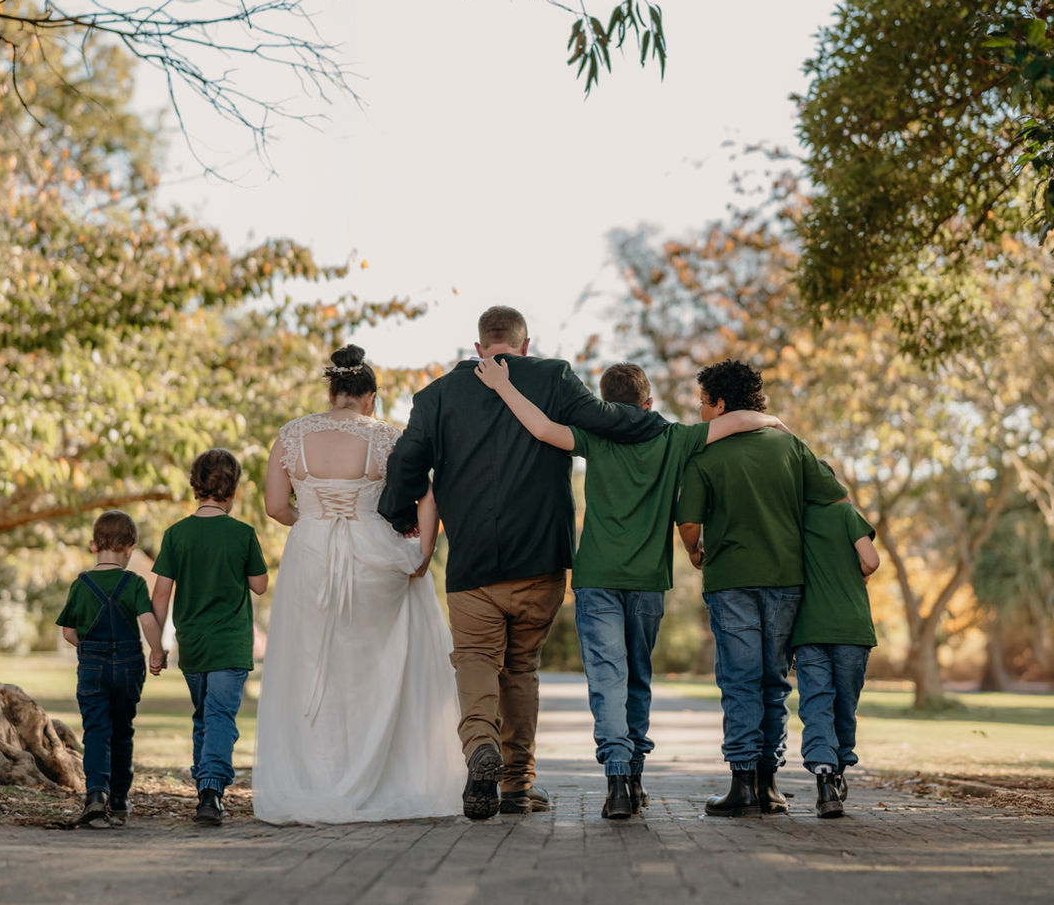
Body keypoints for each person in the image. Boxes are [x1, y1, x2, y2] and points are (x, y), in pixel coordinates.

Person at [379, 306, 668, 819]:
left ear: (478, 348)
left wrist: (401, 514)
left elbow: (405, 463)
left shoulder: (436, 395)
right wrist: (654, 425)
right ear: (524, 345)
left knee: (474, 660)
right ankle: (515, 784)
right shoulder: (553, 377)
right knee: (521, 668)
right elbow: (604, 421)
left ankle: (480, 750)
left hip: (471, 564)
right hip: (541, 559)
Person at [475, 357, 787, 820]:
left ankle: (618, 784)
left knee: (607, 682)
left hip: (598, 578)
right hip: (647, 584)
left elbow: (541, 428)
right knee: (638, 679)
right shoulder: (674, 437)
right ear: (649, 401)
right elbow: (735, 421)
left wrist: (502, 385)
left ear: (605, 404)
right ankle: (634, 778)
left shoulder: (596, 436)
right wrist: (771, 419)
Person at [252, 345, 464, 823]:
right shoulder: (388, 437)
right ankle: (385, 778)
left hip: (310, 554)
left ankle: (318, 780)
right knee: (377, 667)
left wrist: (313, 519)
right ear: (370, 396)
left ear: (331, 392)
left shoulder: (290, 436)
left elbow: (273, 506)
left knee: (313, 669)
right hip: (375, 552)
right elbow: (429, 495)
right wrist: (422, 553)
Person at [675, 359, 846, 818]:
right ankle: (769, 786)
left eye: (703, 402)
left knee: (739, 679)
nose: (700, 411)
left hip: (731, 581)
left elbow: (689, 521)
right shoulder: (791, 446)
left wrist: (695, 551)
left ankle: (742, 784)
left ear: (722, 404)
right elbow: (834, 496)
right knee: (774, 680)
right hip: (787, 580)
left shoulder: (705, 455)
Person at [151, 448, 270, 827]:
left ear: (195, 486)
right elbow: (260, 586)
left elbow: (160, 594)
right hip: (231, 644)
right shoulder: (242, 534)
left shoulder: (176, 535)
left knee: (205, 715)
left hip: (194, 644)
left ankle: (207, 786)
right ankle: (211, 791)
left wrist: (156, 646)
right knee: (218, 716)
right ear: (233, 490)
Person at [56, 510, 166, 827]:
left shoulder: (81, 585)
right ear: (130, 549)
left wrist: (89, 648)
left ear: (93, 545)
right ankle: (119, 797)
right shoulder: (133, 583)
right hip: (129, 667)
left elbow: (68, 631)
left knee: (96, 732)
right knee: (122, 730)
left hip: (93, 667)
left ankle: (95, 795)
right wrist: (157, 653)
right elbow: (147, 622)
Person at [791, 490, 880, 818]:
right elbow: (870, 560)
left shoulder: (793, 523)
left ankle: (825, 779)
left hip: (809, 628)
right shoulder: (846, 515)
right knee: (845, 706)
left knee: (816, 705)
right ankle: (839, 769)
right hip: (850, 628)